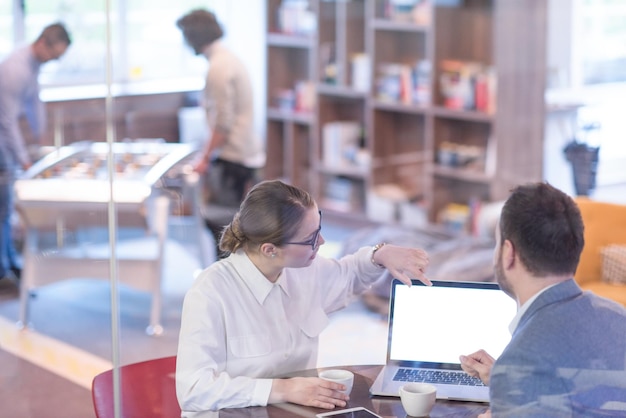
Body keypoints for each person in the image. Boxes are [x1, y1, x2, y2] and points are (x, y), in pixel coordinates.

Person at [176, 179, 431, 414]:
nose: (321, 241)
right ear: (270, 249)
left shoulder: (304, 271)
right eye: (310, 239)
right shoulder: (211, 292)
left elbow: (349, 274)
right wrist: (282, 389)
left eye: (318, 228)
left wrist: (380, 255)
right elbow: (193, 389)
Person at [459, 182, 626, 417]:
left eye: (496, 244)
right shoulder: (619, 316)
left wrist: (512, 388)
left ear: (509, 253)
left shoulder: (521, 362)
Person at [176, 9, 265, 257]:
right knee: (234, 225)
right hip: (247, 152)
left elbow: (222, 124)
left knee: (222, 228)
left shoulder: (218, 68)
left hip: (232, 157)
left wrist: (204, 158)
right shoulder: (230, 59)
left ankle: (224, 287)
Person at [0, 23, 71, 281]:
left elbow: (34, 103)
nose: (53, 60)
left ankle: (8, 263)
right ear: (43, 43)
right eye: (53, 55)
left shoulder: (33, 66)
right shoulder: (15, 69)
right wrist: (23, 160)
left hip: (6, 142)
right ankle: (3, 268)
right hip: (2, 143)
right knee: (2, 207)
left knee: (5, 207)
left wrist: (41, 141)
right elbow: (6, 121)